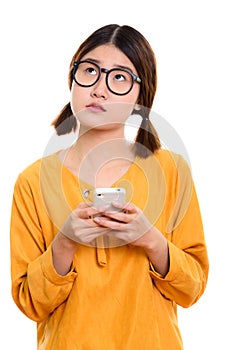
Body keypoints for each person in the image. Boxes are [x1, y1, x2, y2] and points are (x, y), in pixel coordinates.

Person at [10, 24, 209, 350]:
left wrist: (151, 240)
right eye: (89, 71)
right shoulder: (32, 182)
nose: (99, 89)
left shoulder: (171, 170)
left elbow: (192, 289)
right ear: (72, 79)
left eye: (119, 77)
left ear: (140, 97)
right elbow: (30, 304)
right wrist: (64, 244)